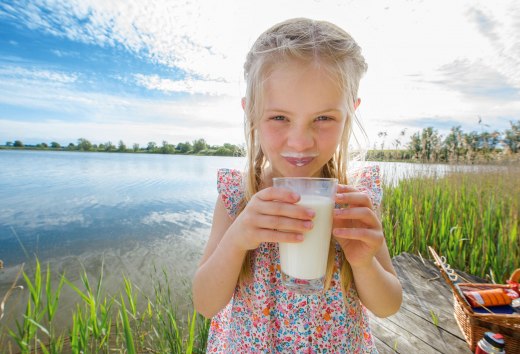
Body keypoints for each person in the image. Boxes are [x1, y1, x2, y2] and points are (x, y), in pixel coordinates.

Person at [192, 18, 402, 352]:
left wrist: (364, 263)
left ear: (351, 112)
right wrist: (237, 239)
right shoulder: (238, 196)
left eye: (323, 118)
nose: (301, 142)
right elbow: (205, 303)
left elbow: (387, 305)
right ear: (252, 115)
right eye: (279, 117)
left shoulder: (354, 197)